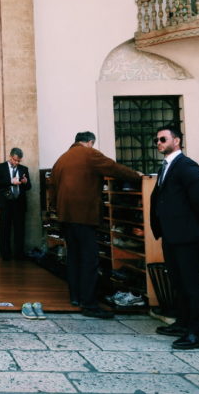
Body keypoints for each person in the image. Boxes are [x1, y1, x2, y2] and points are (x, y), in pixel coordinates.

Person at [50, 131, 141, 319]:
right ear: (90, 142)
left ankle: (75, 297)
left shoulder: (61, 159)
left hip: (65, 217)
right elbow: (113, 167)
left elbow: (53, 189)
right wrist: (137, 176)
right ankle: (90, 304)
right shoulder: (90, 154)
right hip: (84, 215)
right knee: (90, 260)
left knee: (74, 258)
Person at [151, 126, 199, 350]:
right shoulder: (165, 166)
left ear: (176, 140)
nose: (159, 143)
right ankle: (183, 322)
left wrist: (197, 227)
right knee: (178, 281)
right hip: (171, 234)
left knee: (191, 282)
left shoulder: (187, 166)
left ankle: (196, 331)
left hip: (186, 234)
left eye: (163, 139)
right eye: (157, 140)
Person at [0, 147, 31, 260]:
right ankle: (5, 255)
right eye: (15, 160)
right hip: (5, 203)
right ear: (10, 156)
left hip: (19, 203)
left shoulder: (24, 169)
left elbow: (29, 187)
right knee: (5, 229)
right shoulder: (0, 167)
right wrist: (11, 182)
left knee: (20, 230)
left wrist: (25, 182)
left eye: (19, 161)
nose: (17, 163)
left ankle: (19, 254)